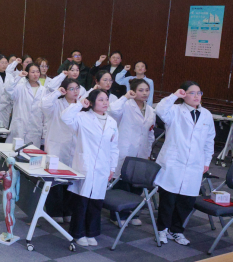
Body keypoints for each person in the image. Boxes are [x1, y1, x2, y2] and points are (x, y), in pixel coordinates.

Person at [153, 82, 215, 246]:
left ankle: (176, 230)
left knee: (187, 201)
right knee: (168, 199)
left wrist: (206, 161)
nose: (196, 96)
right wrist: (174, 95)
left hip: (195, 164)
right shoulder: (174, 110)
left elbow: (209, 140)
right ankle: (162, 229)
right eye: (192, 93)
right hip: (174, 162)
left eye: (199, 93)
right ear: (184, 94)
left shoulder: (206, 115)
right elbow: (160, 110)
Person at [61, 89, 119, 247]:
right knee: (82, 201)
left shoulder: (112, 123)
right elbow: (65, 117)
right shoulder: (82, 117)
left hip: (102, 167)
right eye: (100, 100)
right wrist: (80, 104)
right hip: (85, 165)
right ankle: (78, 233)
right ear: (92, 102)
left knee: (96, 202)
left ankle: (91, 232)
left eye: (106, 99)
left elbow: (114, 147)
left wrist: (112, 167)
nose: (105, 102)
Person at [107, 79, 155, 225]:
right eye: (141, 90)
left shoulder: (151, 110)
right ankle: (117, 216)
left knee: (136, 184)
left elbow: (150, 133)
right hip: (125, 149)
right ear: (133, 91)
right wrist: (125, 97)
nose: (145, 93)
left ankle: (133, 214)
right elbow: (111, 110)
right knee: (122, 183)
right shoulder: (125, 105)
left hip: (141, 151)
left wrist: (148, 151)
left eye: (147, 90)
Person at [41, 78, 82, 223]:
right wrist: (57, 93)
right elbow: (44, 104)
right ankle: (54, 211)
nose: (75, 91)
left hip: (75, 148)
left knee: (72, 181)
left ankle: (68, 210)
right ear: (64, 90)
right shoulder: (56, 104)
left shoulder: (81, 105)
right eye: (71, 89)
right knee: (56, 181)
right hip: (57, 147)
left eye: (77, 88)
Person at [5, 63, 45, 146]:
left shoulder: (44, 90)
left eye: (37, 72)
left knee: (31, 152)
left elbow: (45, 112)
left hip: (35, 128)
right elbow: (8, 89)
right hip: (19, 127)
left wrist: (44, 132)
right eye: (33, 72)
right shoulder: (20, 87)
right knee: (14, 151)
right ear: (27, 73)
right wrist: (19, 76)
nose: (35, 74)